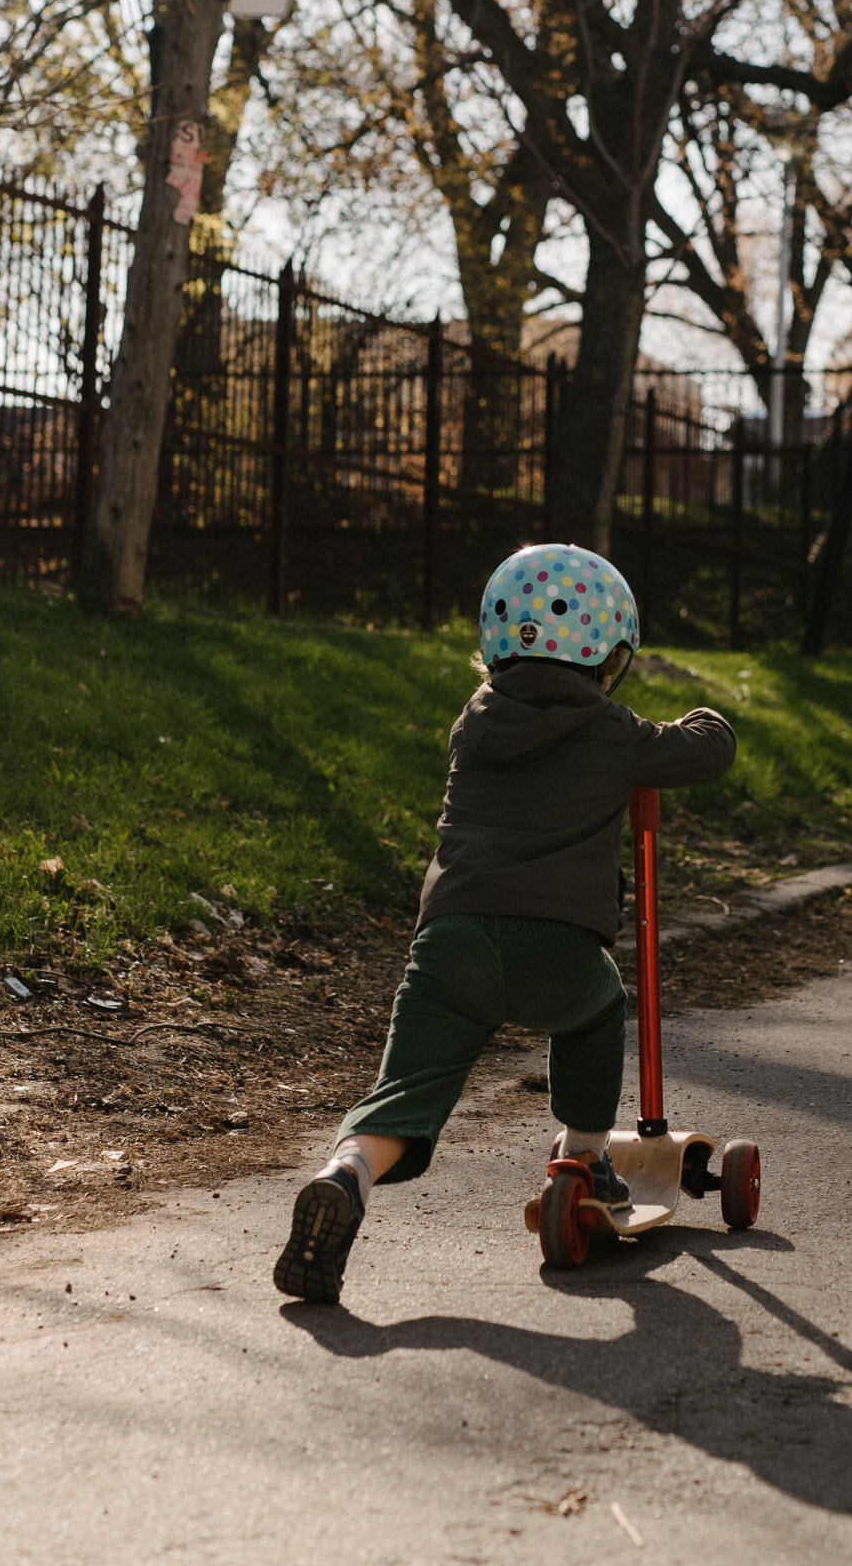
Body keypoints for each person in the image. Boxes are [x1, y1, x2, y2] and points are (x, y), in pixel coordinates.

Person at [273, 542, 737, 1304]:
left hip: (449, 941)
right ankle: (585, 1160)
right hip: (557, 947)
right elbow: (708, 749)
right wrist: (701, 714)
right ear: (606, 654)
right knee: (598, 1006)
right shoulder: (617, 733)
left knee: (406, 1091)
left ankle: (345, 1172)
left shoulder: (472, 725)